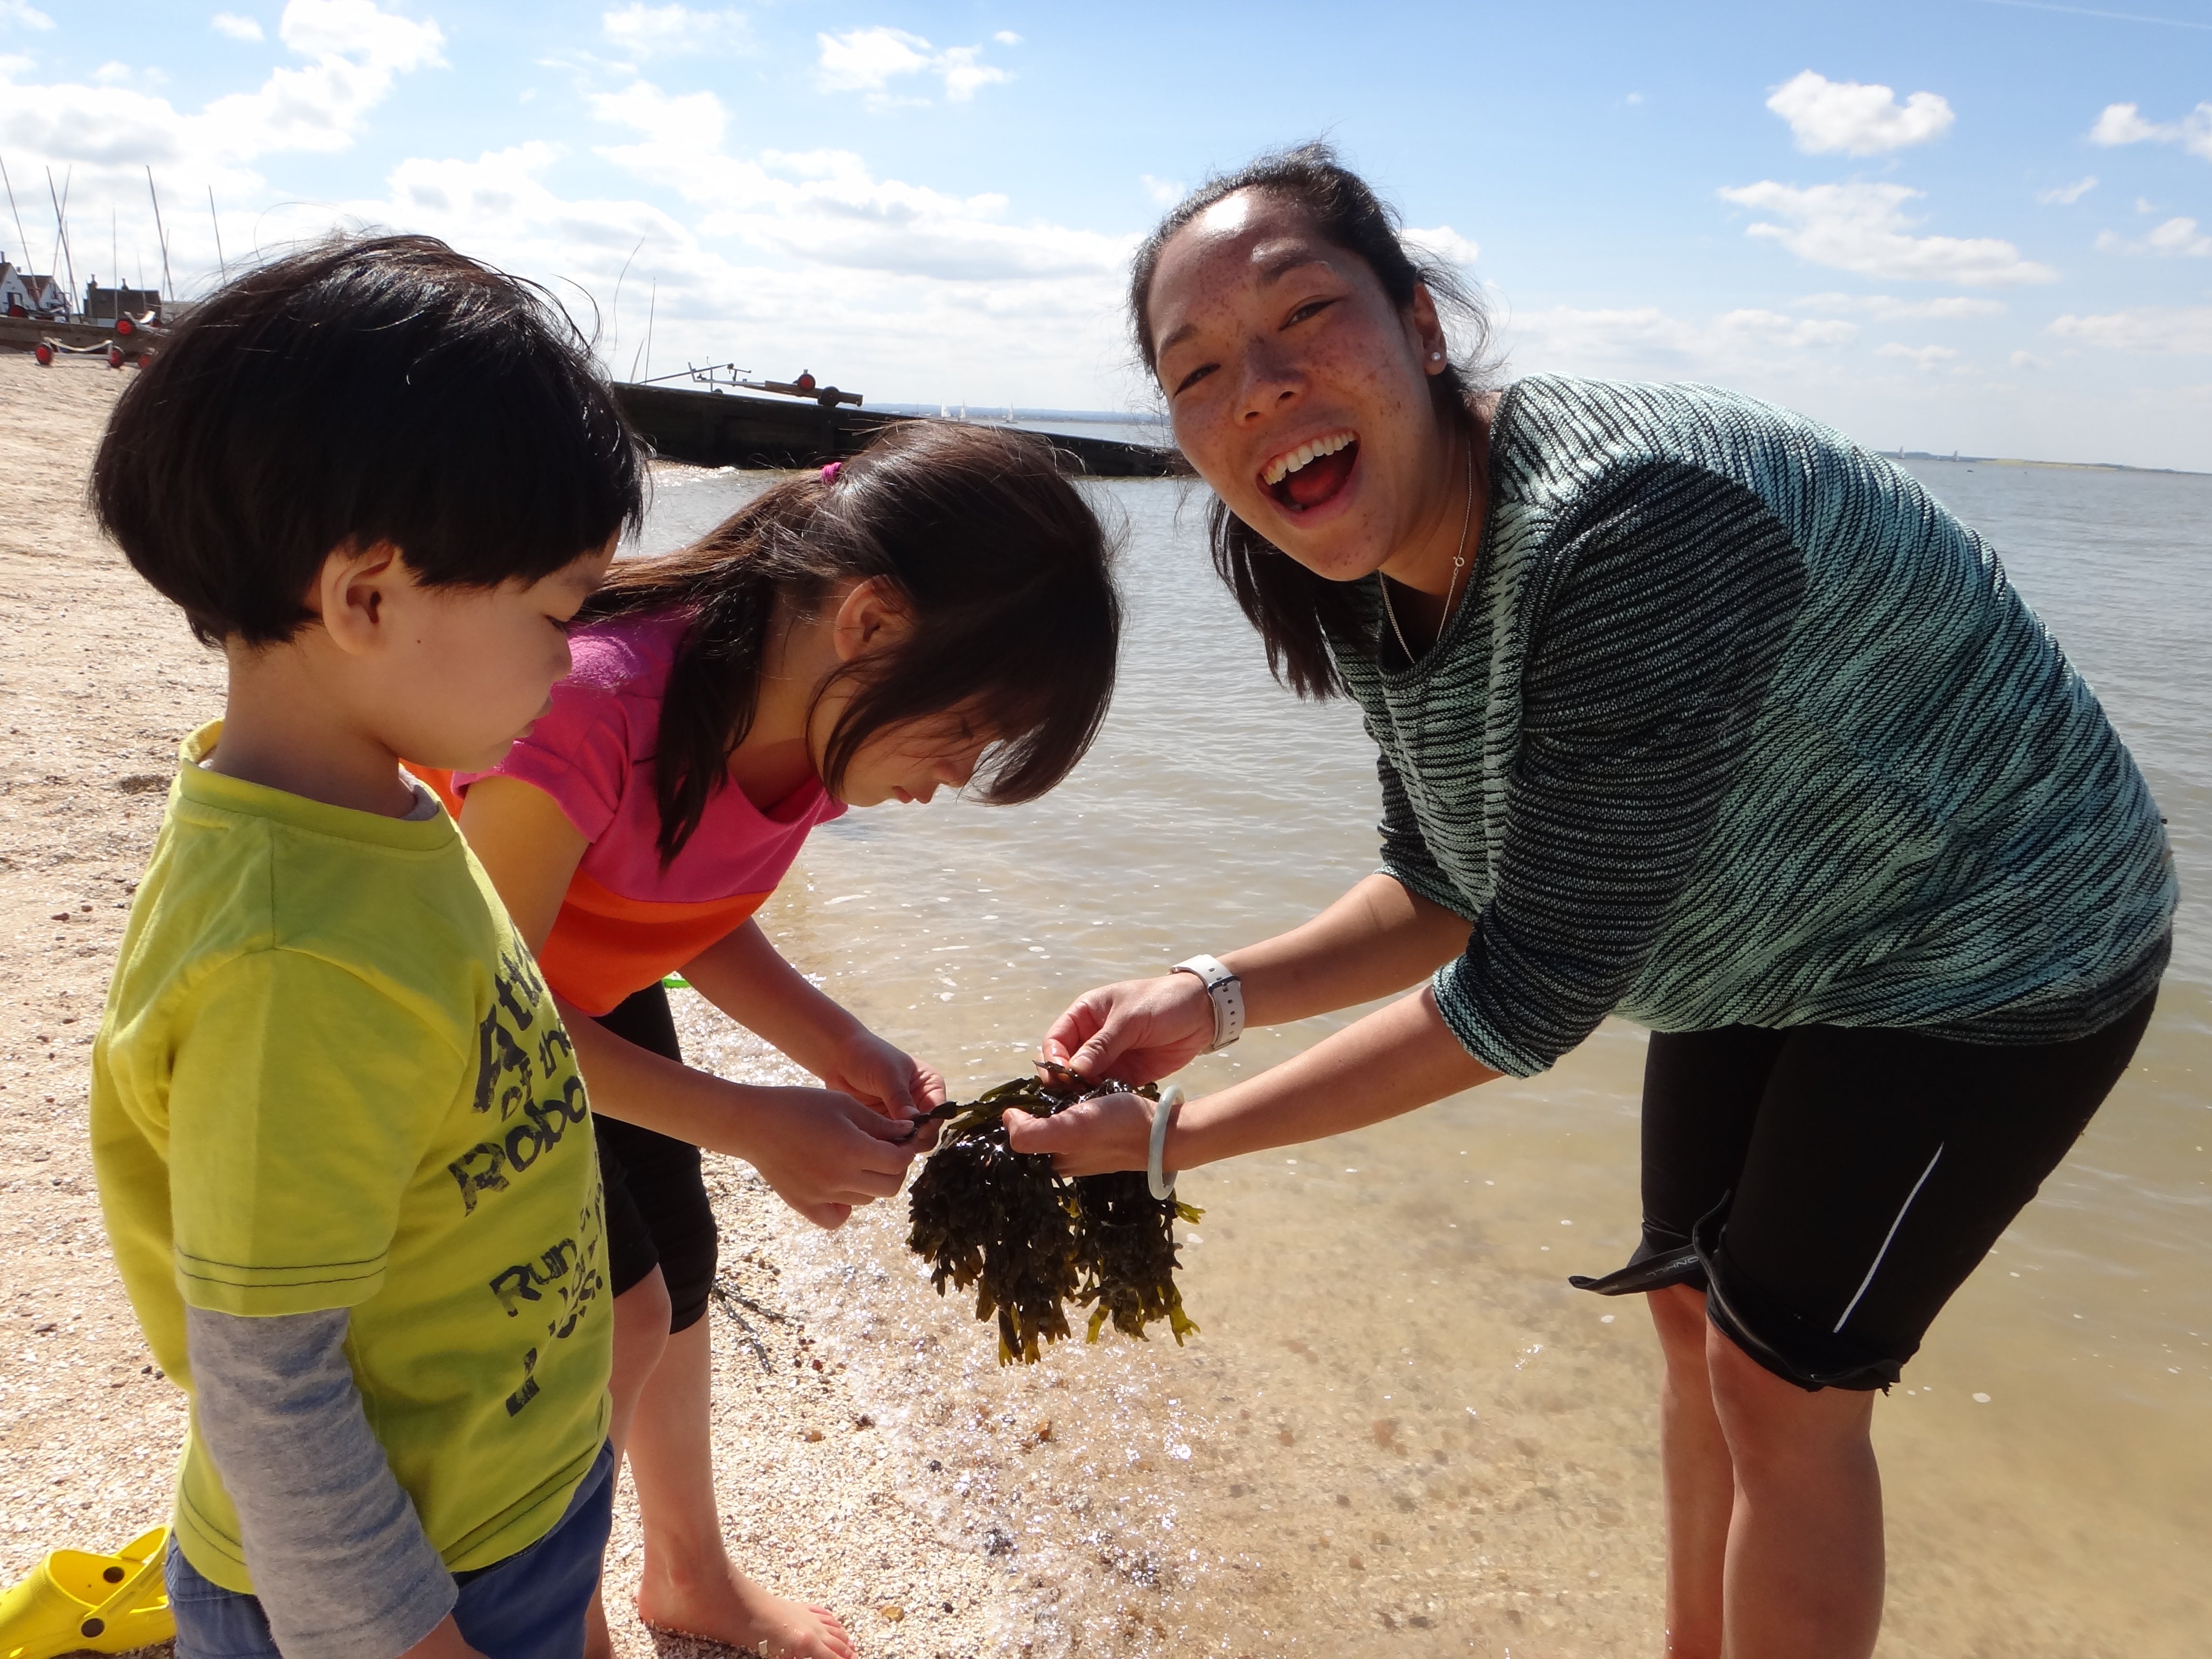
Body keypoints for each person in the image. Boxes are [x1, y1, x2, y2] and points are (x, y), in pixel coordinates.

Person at [1005, 145, 2175, 1659]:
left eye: (1305, 316)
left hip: (1997, 935)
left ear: (1422, 324)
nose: (1263, 388)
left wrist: (1175, 1141)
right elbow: (1447, 879)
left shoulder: (1634, 524)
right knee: (1688, 1310)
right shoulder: (1353, 552)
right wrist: (1209, 995)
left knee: (1783, 1382)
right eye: (1199, 369)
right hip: (1759, 920)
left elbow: (1527, 992)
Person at [443, 423, 1119, 1659]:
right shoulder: (590, 707)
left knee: (678, 1266)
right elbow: (477, 1017)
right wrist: (750, 1122)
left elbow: (681, 901)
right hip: (452, 1024)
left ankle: (686, 1573)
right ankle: (557, 1619)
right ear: (869, 622)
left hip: (575, 993)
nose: (956, 777)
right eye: (965, 730)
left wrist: (837, 1046)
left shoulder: (808, 732)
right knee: (616, 1316)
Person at [87, 236, 643, 1659]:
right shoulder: (295, 962)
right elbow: (272, 1394)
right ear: (368, 597)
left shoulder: (375, 814)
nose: (573, 660)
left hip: (507, 1504)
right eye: (557, 613)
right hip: (395, 1595)